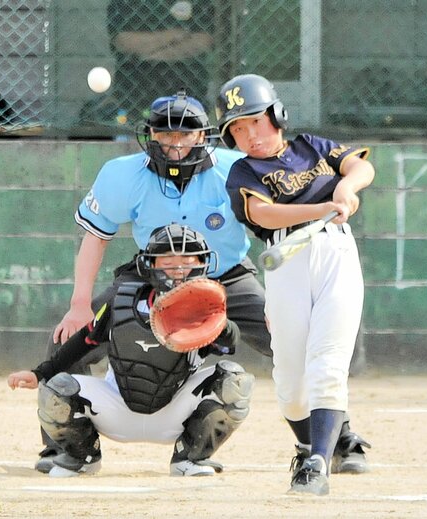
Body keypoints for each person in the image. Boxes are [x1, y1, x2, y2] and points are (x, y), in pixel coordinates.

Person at [39, 88, 368, 477]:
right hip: (154, 277)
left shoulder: (237, 168)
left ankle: (339, 436)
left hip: (226, 274)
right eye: (165, 133)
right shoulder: (121, 173)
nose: (175, 143)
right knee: (68, 337)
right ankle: (60, 445)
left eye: (185, 133)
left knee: (286, 342)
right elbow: (96, 237)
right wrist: (79, 305)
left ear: (203, 136)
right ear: (150, 135)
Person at [215, 73, 375, 496]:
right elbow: (263, 216)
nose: (249, 134)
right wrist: (323, 205)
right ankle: (309, 446)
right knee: (289, 382)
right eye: (237, 128)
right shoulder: (242, 172)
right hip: (286, 260)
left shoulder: (311, 147)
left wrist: (346, 186)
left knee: (327, 362)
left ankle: (319, 463)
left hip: (335, 253)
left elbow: (362, 166)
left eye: (255, 121)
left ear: (276, 114)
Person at [8, 224, 255, 478]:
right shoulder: (122, 301)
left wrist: (218, 322)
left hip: (175, 412)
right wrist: (39, 373)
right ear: (150, 264)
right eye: (167, 258)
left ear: (202, 263)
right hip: (117, 408)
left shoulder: (206, 309)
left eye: (187, 258)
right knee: (56, 388)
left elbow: (229, 343)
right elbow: (83, 341)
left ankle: (189, 458)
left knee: (234, 381)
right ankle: (83, 457)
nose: (178, 265)